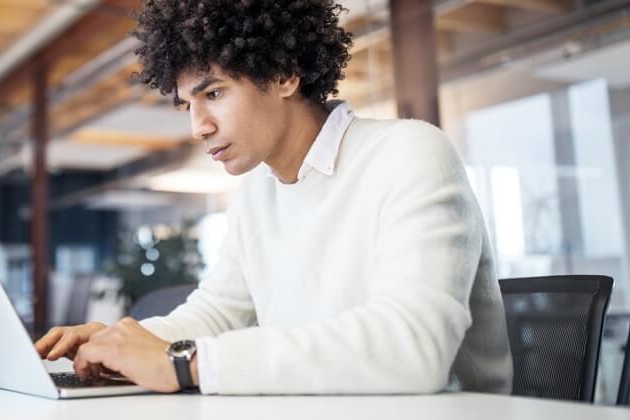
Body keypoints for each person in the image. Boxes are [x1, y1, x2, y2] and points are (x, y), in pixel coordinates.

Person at [35, 0, 513, 395]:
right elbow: (217, 314)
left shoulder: (410, 153)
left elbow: (413, 347)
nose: (198, 126)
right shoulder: (256, 195)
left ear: (284, 74)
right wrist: (122, 342)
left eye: (215, 94)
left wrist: (187, 365)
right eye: (188, 104)